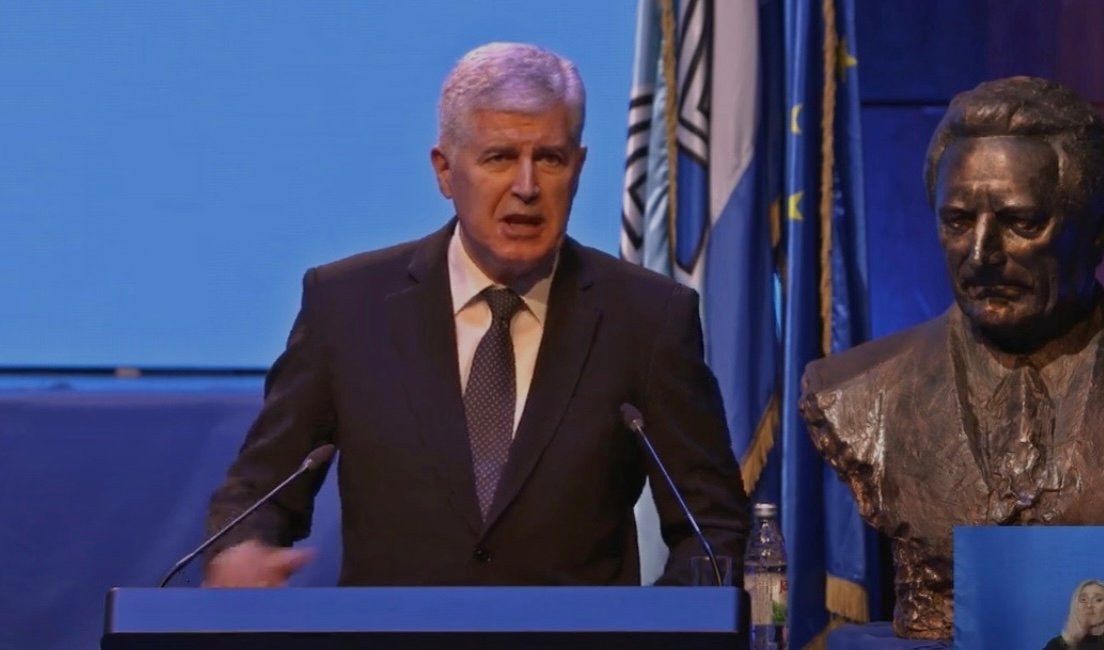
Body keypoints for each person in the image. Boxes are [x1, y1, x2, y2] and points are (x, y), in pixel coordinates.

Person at [203, 42, 748, 588]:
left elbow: (712, 528)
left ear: (578, 168)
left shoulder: (647, 318)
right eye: (499, 158)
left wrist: (658, 626)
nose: (527, 187)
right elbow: (260, 490)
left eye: (550, 159)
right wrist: (241, 549)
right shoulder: (347, 307)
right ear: (444, 171)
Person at [800, 76, 1104, 640]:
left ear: (1096, 231)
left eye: (1022, 223)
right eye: (958, 221)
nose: (982, 254)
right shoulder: (856, 393)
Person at [1045, 580, 1104, 649]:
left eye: (1098, 600)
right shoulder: (1059, 643)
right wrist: (1068, 640)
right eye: (1083, 600)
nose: (1089, 605)